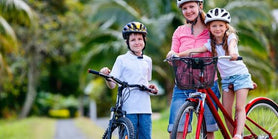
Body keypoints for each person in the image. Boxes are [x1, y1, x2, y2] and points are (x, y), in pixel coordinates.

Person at [179, 8, 256, 139]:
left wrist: (233, 53)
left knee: (239, 107)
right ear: (209, 28)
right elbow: (196, 50)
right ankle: (234, 136)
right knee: (226, 112)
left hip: (240, 77)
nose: (218, 28)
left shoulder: (231, 37)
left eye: (221, 25)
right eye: (214, 26)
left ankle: (237, 135)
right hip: (226, 80)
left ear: (226, 27)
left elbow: (232, 46)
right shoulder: (211, 43)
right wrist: (178, 55)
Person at [166, 0, 221, 138]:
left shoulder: (212, 29)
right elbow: (173, 52)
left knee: (208, 131)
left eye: (192, 6)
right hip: (183, 84)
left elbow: (226, 44)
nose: (188, 11)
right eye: (185, 8)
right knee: (177, 130)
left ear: (200, 6)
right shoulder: (179, 31)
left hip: (208, 83)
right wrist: (171, 55)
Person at [100, 21, 158, 139]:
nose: (137, 42)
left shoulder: (148, 60)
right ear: (127, 42)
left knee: (146, 137)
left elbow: (144, 82)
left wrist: (151, 88)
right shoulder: (122, 59)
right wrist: (106, 76)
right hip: (128, 108)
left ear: (144, 41)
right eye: (133, 40)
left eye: (139, 39)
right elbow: (112, 84)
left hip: (145, 108)